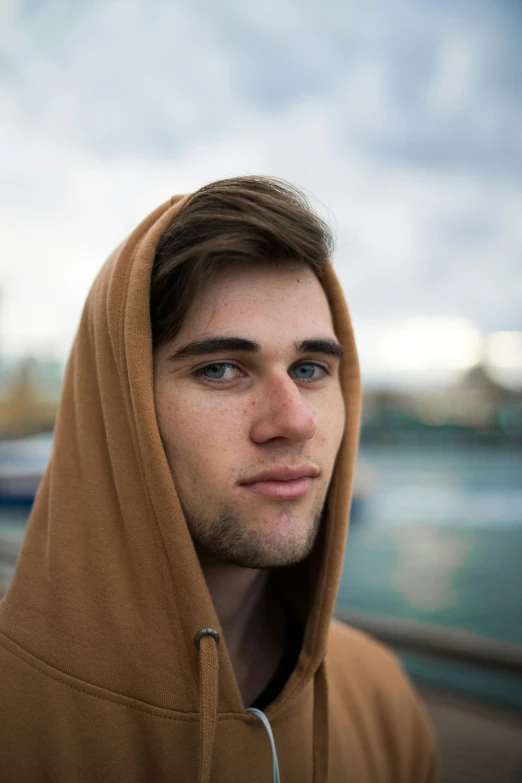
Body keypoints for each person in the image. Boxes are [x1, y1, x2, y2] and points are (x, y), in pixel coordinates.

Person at [0, 176, 436, 781]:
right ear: (121, 409)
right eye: (223, 369)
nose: (294, 421)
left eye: (310, 367)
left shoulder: (382, 700)